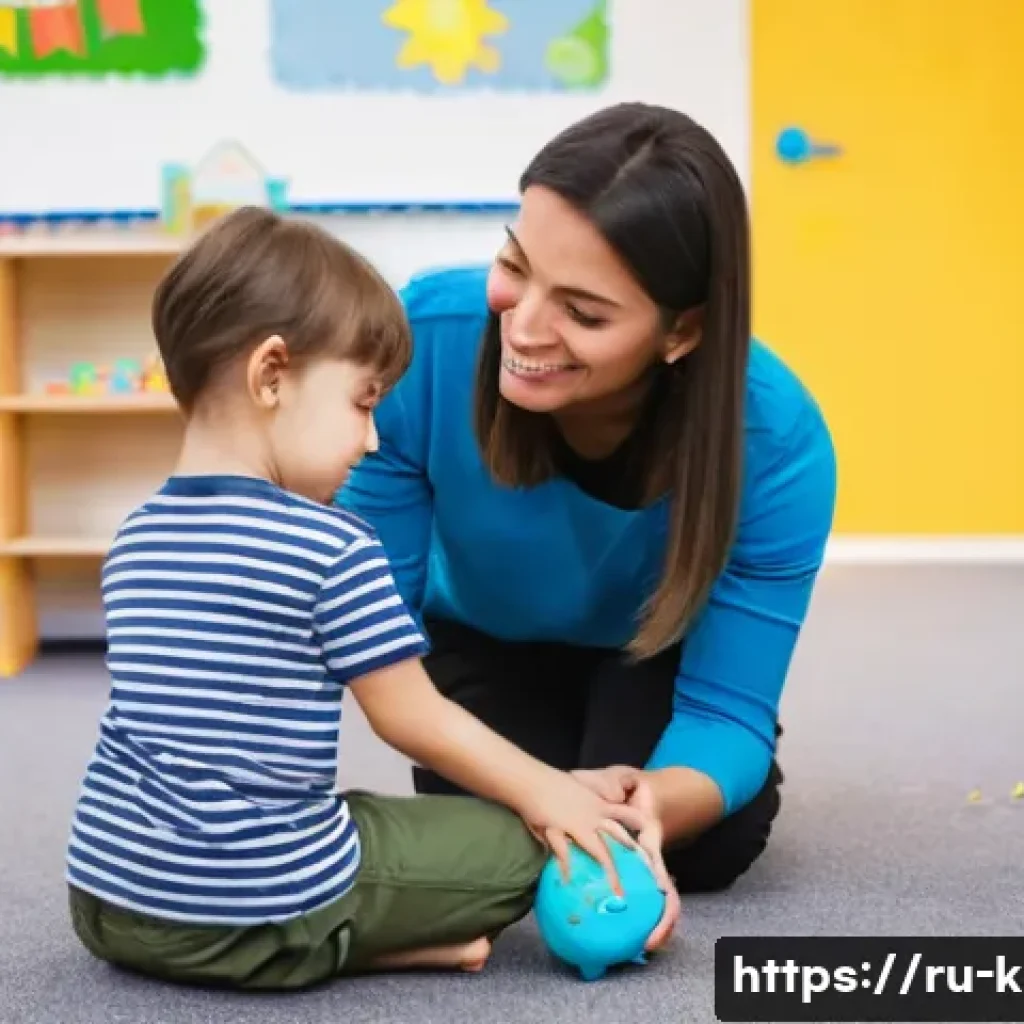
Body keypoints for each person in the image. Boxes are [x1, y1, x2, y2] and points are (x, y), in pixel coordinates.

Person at [64, 206, 671, 992]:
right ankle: (332, 944)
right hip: (255, 907)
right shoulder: (331, 545)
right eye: (363, 401)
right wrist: (549, 793)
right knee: (516, 842)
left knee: (319, 809)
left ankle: (297, 935)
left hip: (111, 898)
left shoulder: (135, 536)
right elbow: (412, 716)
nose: (374, 439)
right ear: (272, 374)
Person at [339, 102, 838, 898]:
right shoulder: (421, 343)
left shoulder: (775, 441)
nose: (525, 328)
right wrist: (541, 790)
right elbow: (375, 633)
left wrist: (658, 802)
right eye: (514, 263)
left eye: (583, 312)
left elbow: (729, 713)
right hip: (479, 639)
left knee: (707, 846)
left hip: (650, 647)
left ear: (682, 333)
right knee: (500, 829)